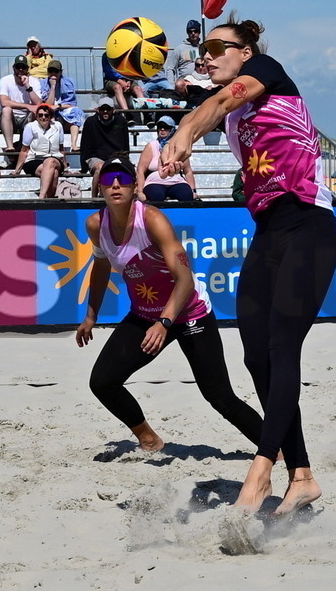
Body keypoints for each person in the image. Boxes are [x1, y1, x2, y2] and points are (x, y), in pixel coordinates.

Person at [161, 16, 336, 516]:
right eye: (205, 50)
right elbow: (215, 106)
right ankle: (301, 476)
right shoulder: (234, 110)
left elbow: (218, 103)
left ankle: (262, 469)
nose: (208, 55)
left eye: (220, 47)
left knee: (283, 344)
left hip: (309, 225)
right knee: (255, 357)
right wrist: (185, 132)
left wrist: (183, 135)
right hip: (268, 234)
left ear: (246, 54)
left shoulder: (269, 71)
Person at [75, 154, 263, 453]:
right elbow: (100, 266)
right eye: (107, 180)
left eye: (122, 179)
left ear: (134, 185)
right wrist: (91, 315)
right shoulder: (95, 224)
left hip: (190, 313)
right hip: (144, 315)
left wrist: (164, 322)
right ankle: (148, 438)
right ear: (99, 187)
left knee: (219, 396)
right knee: (102, 382)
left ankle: (275, 448)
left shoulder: (152, 219)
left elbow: (185, 279)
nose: (114, 185)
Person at [136, 116, 196, 202]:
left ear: (172, 129)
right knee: (156, 195)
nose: (162, 129)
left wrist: (193, 190)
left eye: (166, 127)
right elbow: (140, 170)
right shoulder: (151, 146)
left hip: (176, 181)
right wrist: (140, 192)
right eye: (160, 127)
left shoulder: (178, 146)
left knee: (186, 194)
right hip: (154, 182)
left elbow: (188, 171)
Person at [79, 97, 129, 197]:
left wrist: (125, 160)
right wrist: (84, 168)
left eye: (108, 109)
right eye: (102, 109)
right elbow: (85, 145)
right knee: (101, 167)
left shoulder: (121, 121)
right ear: (98, 110)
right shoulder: (90, 122)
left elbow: (125, 144)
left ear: (113, 110)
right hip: (95, 157)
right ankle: (94, 198)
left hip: (115, 156)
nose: (105, 111)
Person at [13, 103, 66, 198]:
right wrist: (17, 170)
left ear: (50, 117)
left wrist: (65, 166)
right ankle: (49, 199)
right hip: (35, 159)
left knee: (50, 161)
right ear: (36, 116)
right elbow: (24, 150)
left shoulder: (58, 126)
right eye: (40, 115)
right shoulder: (30, 127)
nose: (43, 117)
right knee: (54, 173)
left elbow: (61, 148)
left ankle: (41, 196)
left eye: (46, 115)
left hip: (55, 158)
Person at [0, 55, 41, 152]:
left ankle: (23, 147)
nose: (20, 70)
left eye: (23, 67)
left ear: (27, 69)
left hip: (27, 118)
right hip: (9, 118)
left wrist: (27, 86)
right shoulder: (5, 80)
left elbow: (38, 103)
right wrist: (27, 106)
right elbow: (4, 102)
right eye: (18, 67)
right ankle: (10, 146)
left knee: (36, 112)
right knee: (6, 109)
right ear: (14, 68)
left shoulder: (34, 81)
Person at [39, 60, 84, 150]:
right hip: (50, 113)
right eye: (51, 71)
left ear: (60, 72)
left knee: (76, 112)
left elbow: (72, 104)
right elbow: (47, 105)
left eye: (56, 71)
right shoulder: (43, 83)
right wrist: (53, 87)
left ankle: (74, 144)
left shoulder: (68, 82)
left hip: (64, 112)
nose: (53, 74)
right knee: (49, 114)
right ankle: (54, 145)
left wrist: (59, 106)